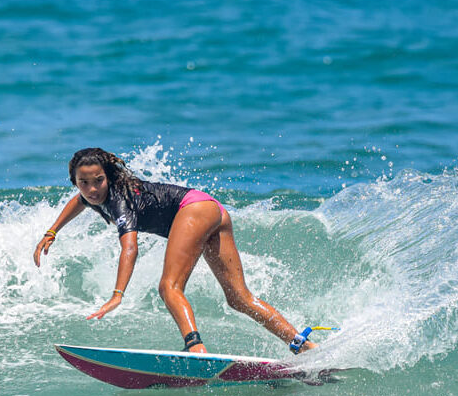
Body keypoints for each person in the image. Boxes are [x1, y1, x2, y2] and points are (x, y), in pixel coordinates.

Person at [34, 148, 314, 354]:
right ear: (75, 182)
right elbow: (80, 202)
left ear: (108, 177)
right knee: (239, 298)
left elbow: (129, 247)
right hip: (212, 209)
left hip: (192, 210)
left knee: (169, 287)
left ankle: (195, 349)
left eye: (98, 181)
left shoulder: (119, 200)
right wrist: (52, 231)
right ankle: (302, 345)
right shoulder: (92, 195)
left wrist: (117, 295)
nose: (92, 189)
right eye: (84, 182)